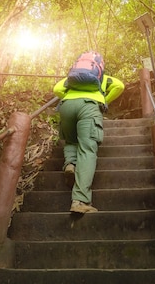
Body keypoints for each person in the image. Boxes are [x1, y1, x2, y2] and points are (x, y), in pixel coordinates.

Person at [53, 54, 125, 214]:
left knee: (71, 140)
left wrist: (69, 98)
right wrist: (104, 100)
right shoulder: (104, 79)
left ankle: (70, 164)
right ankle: (80, 200)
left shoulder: (70, 80)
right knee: (87, 150)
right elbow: (120, 86)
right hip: (89, 107)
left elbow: (56, 89)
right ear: (98, 67)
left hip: (67, 106)